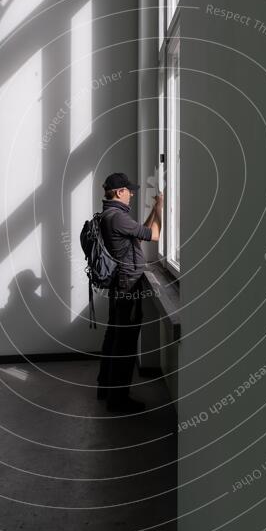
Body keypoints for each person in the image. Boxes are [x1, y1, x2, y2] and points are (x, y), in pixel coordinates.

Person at [97, 172, 163, 413]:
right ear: (119, 192)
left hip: (119, 284)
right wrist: (161, 208)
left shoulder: (110, 215)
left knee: (114, 338)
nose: (132, 193)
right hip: (128, 287)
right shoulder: (118, 217)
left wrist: (153, 210)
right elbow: (154, 235)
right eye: (129, 189)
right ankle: (118, 401)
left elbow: (141, 233)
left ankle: (105, 389)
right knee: (124, 345)